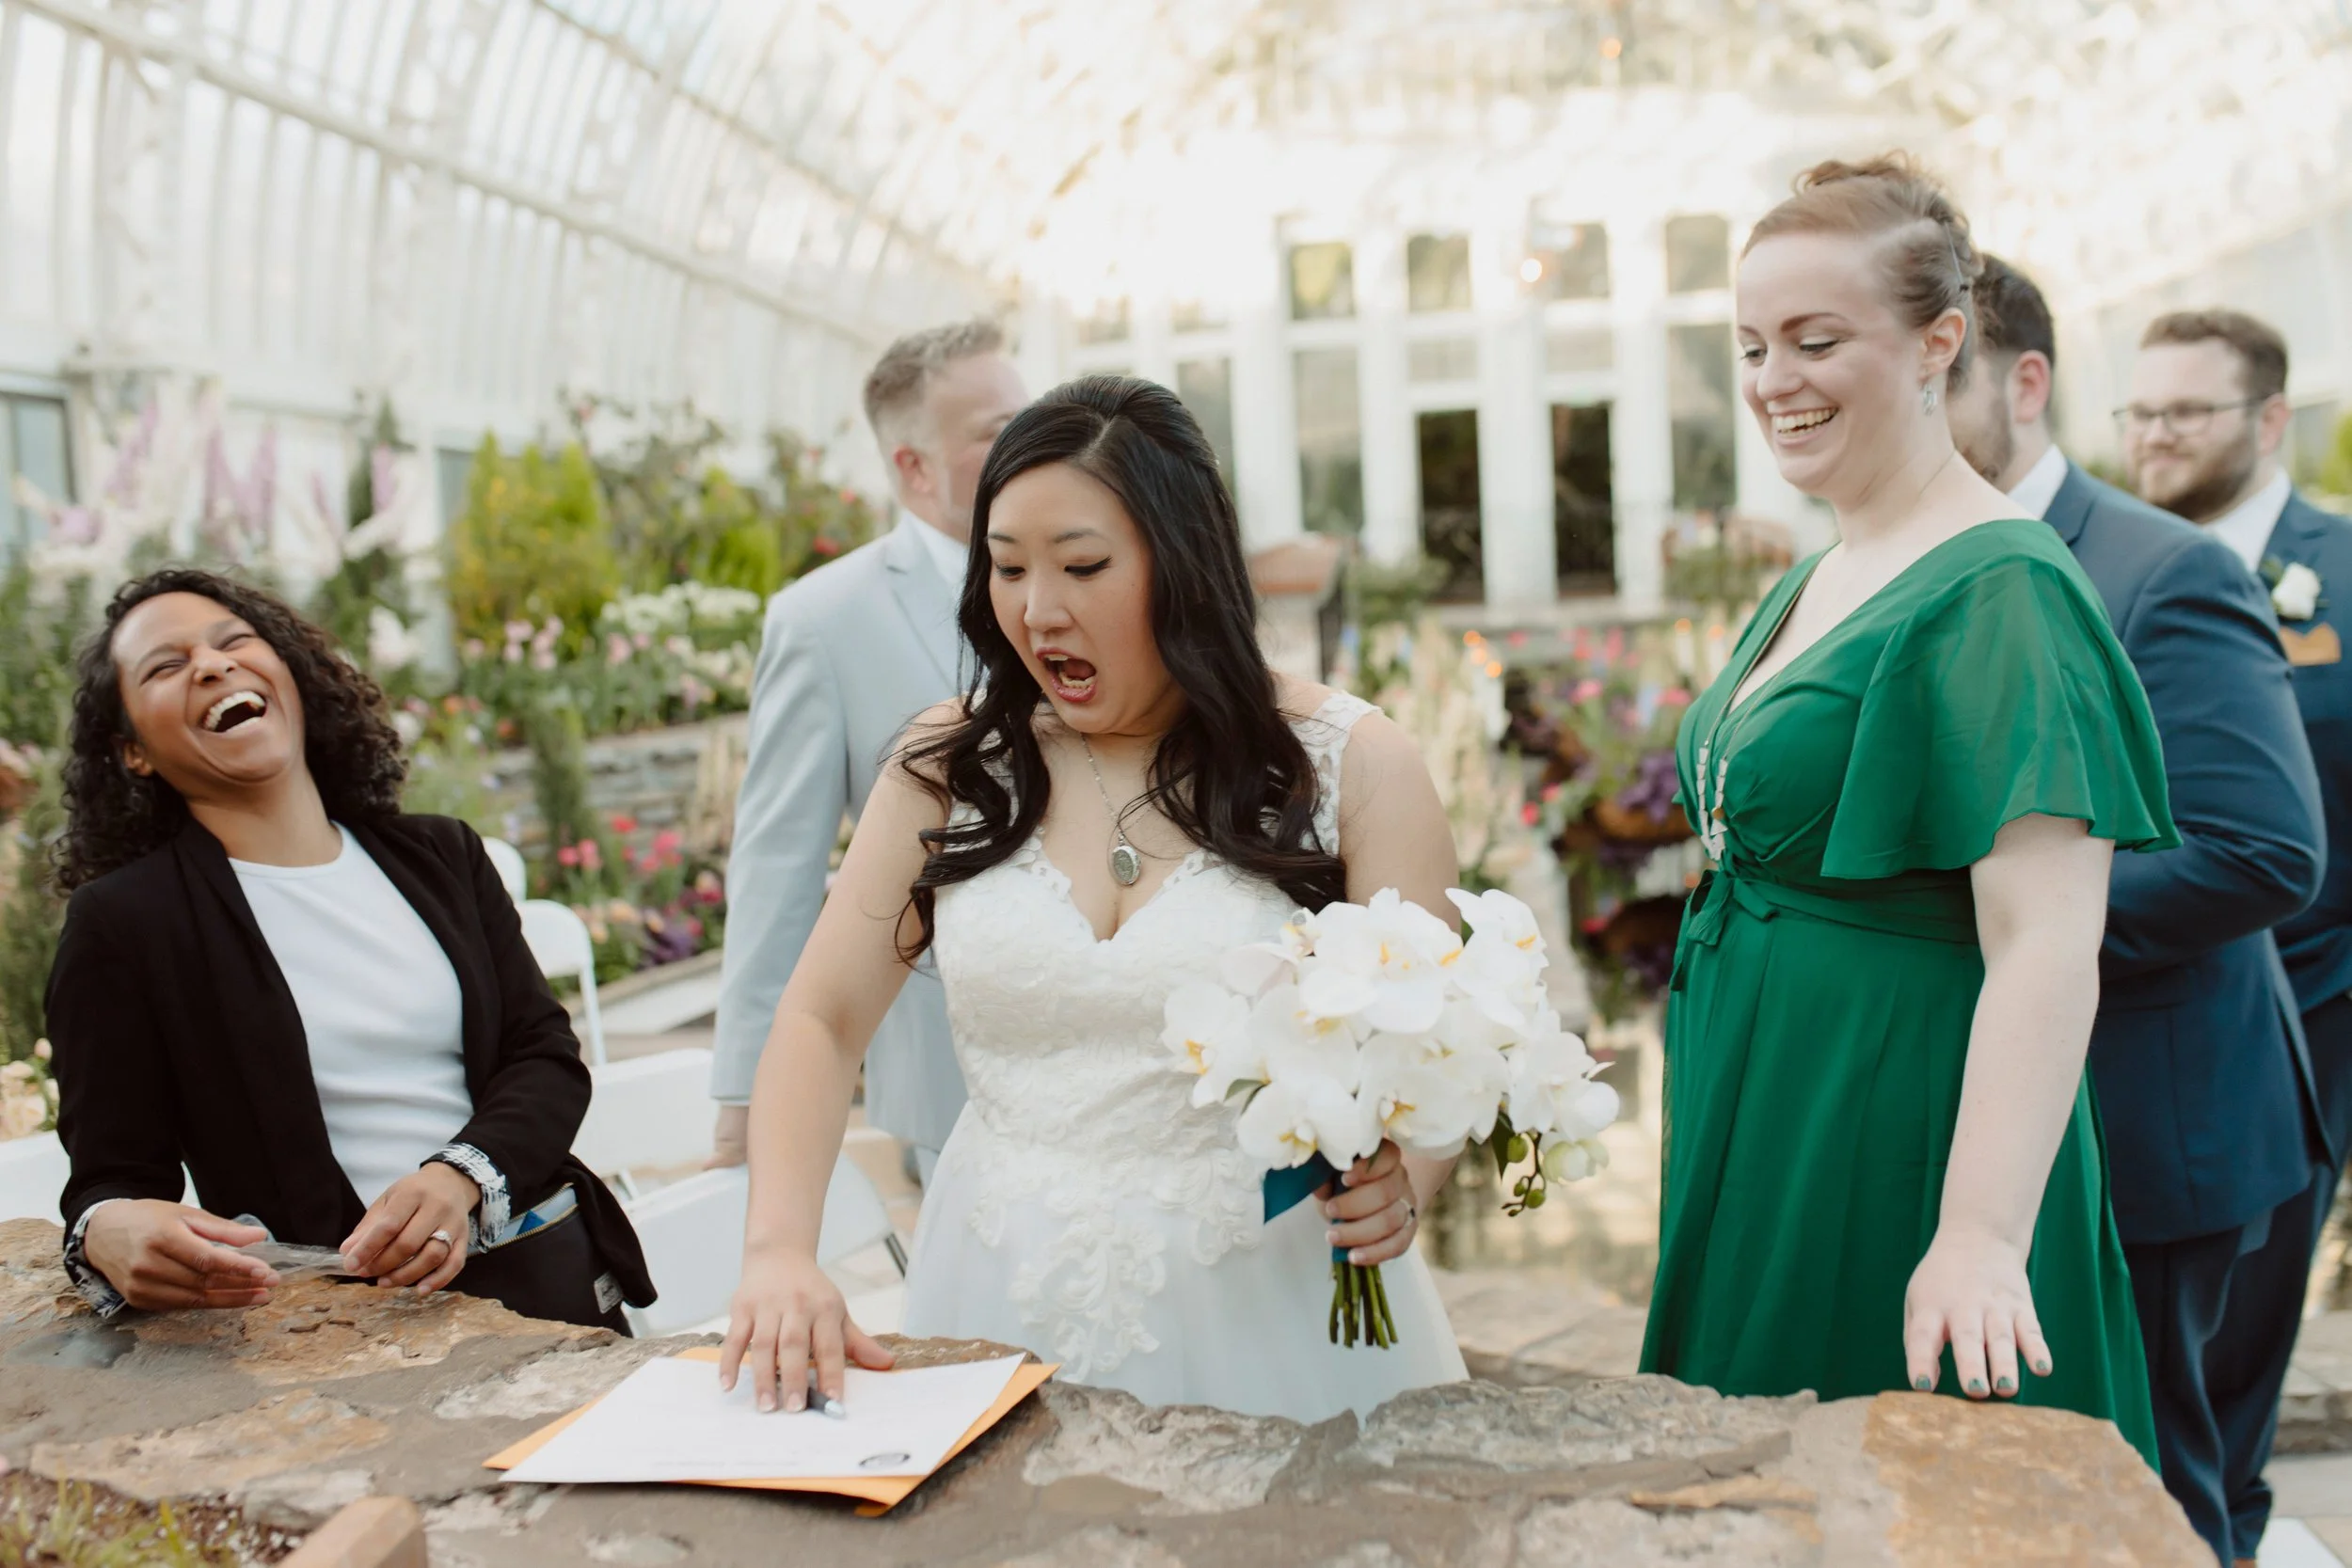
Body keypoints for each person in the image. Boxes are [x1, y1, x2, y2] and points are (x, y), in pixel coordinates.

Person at [717, 376, 1470, 1422]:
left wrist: (1405, 1176)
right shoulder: (947, 764)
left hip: (1280, 1303)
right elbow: (819, 1015)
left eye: (1081, 565)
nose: (1036, 609)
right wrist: (777, 1249)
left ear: (1186, 562)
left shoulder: (1353, 763)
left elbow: (1440, 1046)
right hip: (996, 1287)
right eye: (1007, 567)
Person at [1638, 155, 2170, 1462]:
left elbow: (2047, 938)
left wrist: (1982, 1230)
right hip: (1768, 1096)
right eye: (1755, 343)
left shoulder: (2003, 584)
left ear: (1941, 344)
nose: (1773, 379)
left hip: (1889, 1111)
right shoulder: (1828, 564)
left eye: (1818, 340)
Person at [1948, 263, 2325, 1563]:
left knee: (2161, 1489)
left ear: (2024, 381)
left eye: (1937, 373)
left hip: (2157, 1122)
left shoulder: (2157, 569)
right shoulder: (1923, 564)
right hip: (2016, 1121)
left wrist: (1999, 927)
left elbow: (2265, 849)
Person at [48, 569, 651, 1329]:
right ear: (132, 750)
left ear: (291, 678)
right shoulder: (126, 922)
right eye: (165, 666)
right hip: (340, 1335)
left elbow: (543, 1053)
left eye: (234, 640)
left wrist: (459, 1176)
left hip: (544, 1287)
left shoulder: (441, 854)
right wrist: (109, 1228)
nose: (210, 663)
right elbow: (111, 1177)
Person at [2125, 308, 2352, 1568]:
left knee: (2240, 1362)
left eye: (2186, 411)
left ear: (2268, 421)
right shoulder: (2090, 563)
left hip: (2316, 1007)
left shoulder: (2343, 569)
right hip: (2149, 1013)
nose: (2155, 435)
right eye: (2141, 410)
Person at [709, 320, 1027, 1182]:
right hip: (952, 1079)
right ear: (913, 468)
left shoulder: (1103, 574)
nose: (1032, 445)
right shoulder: (823, 622)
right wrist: (747, 1098)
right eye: (995, 431)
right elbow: (777, 869)